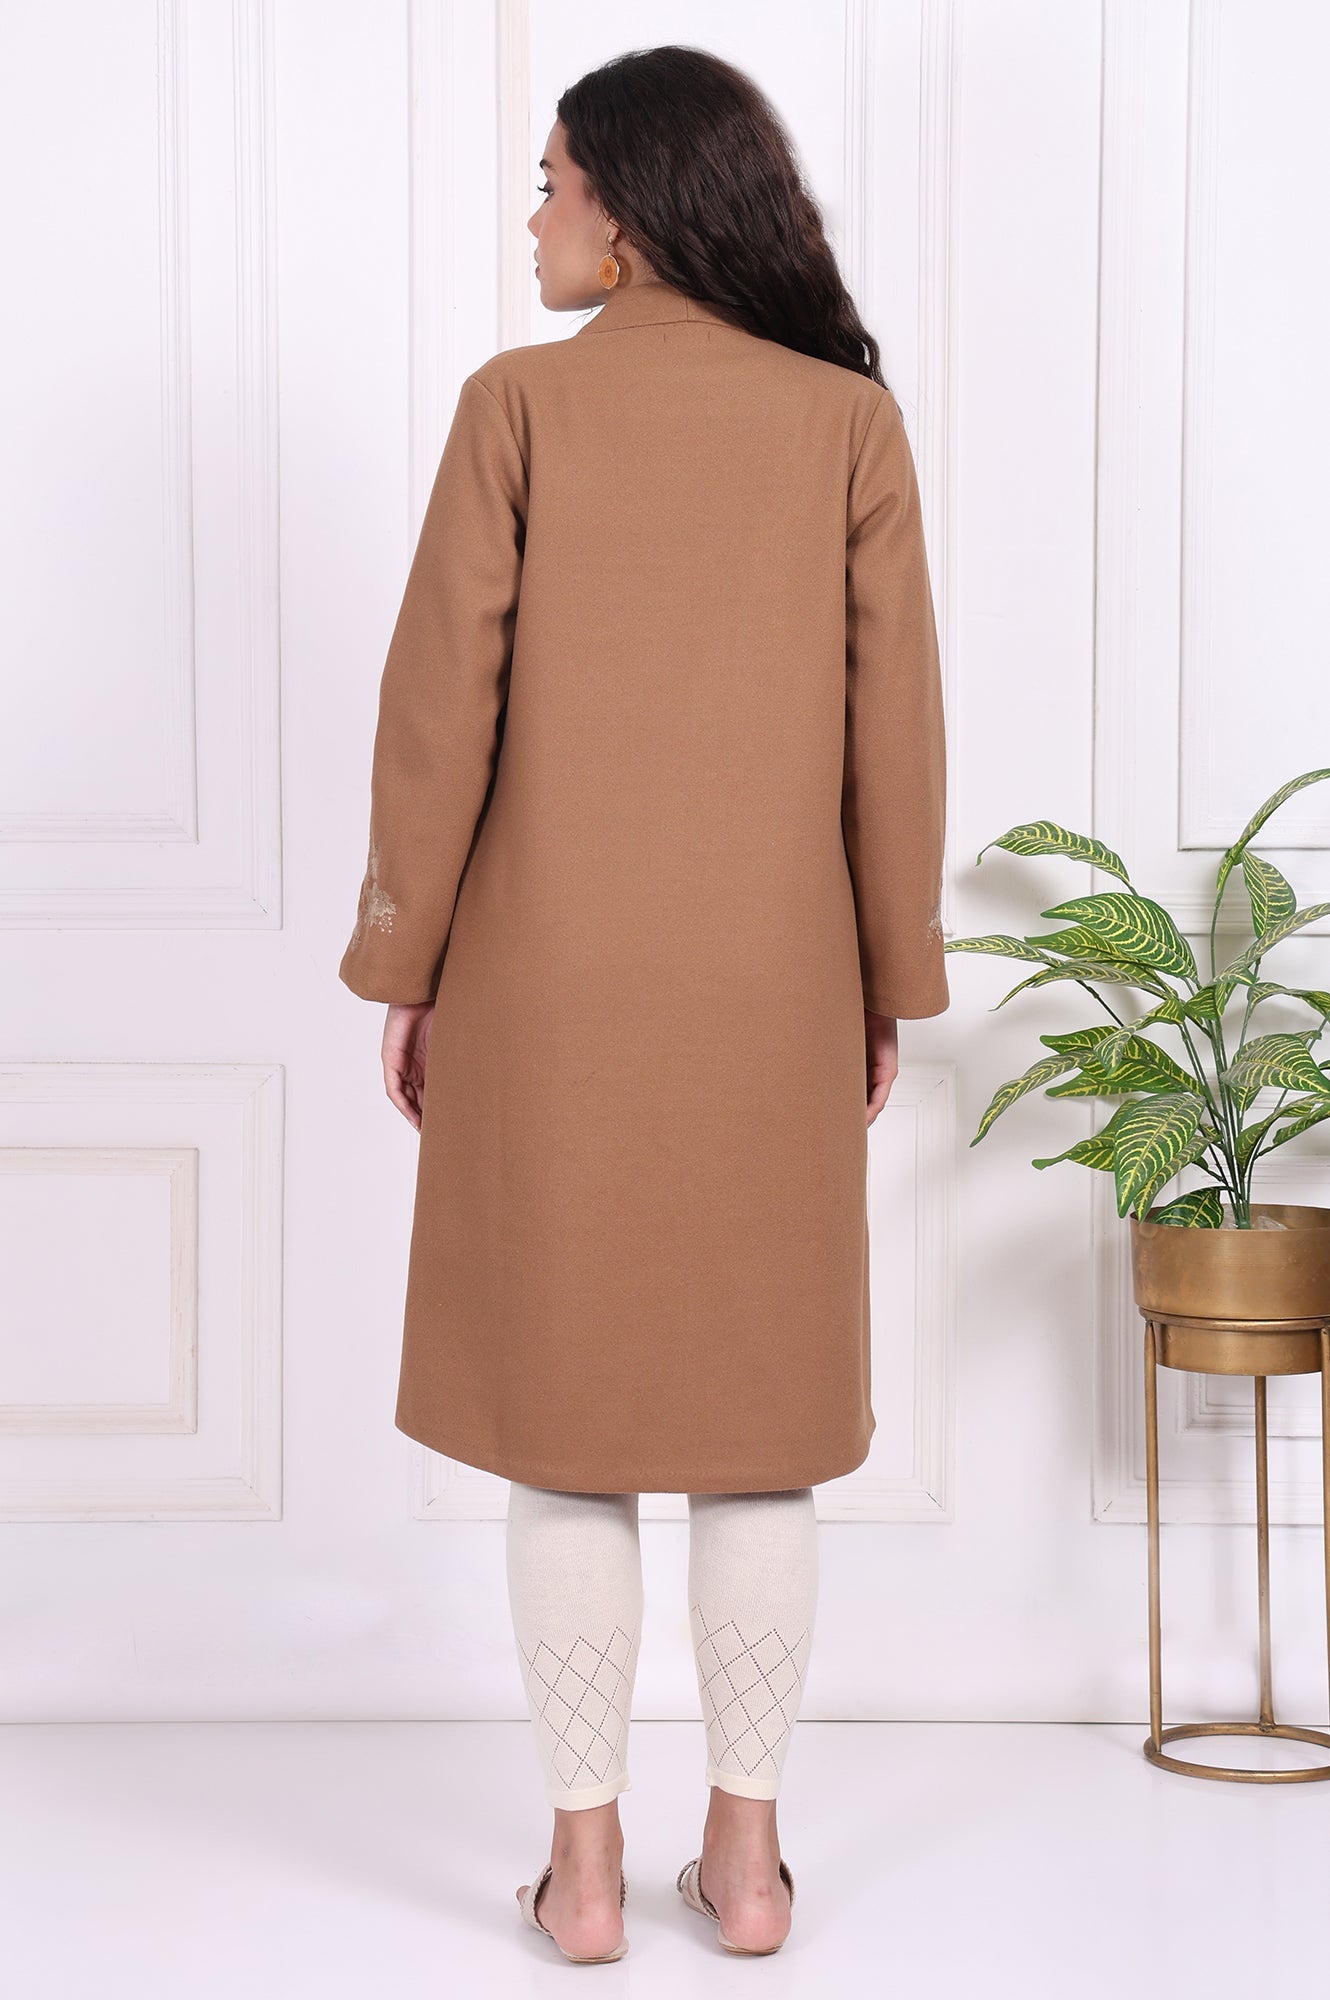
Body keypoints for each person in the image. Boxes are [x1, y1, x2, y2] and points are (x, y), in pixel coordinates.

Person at [339, 44, 948, 1965]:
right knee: (759, 1421)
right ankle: (747, 1865)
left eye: (550, 182)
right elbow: (893, 736)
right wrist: (886, 976)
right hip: (773, 986)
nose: (531, 215)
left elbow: (436, 716)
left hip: (545, 990)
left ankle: (585, 1873)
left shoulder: (517, 408)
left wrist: (406, 965)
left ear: (628, 202)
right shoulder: (844, 423)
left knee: (572, 1422)